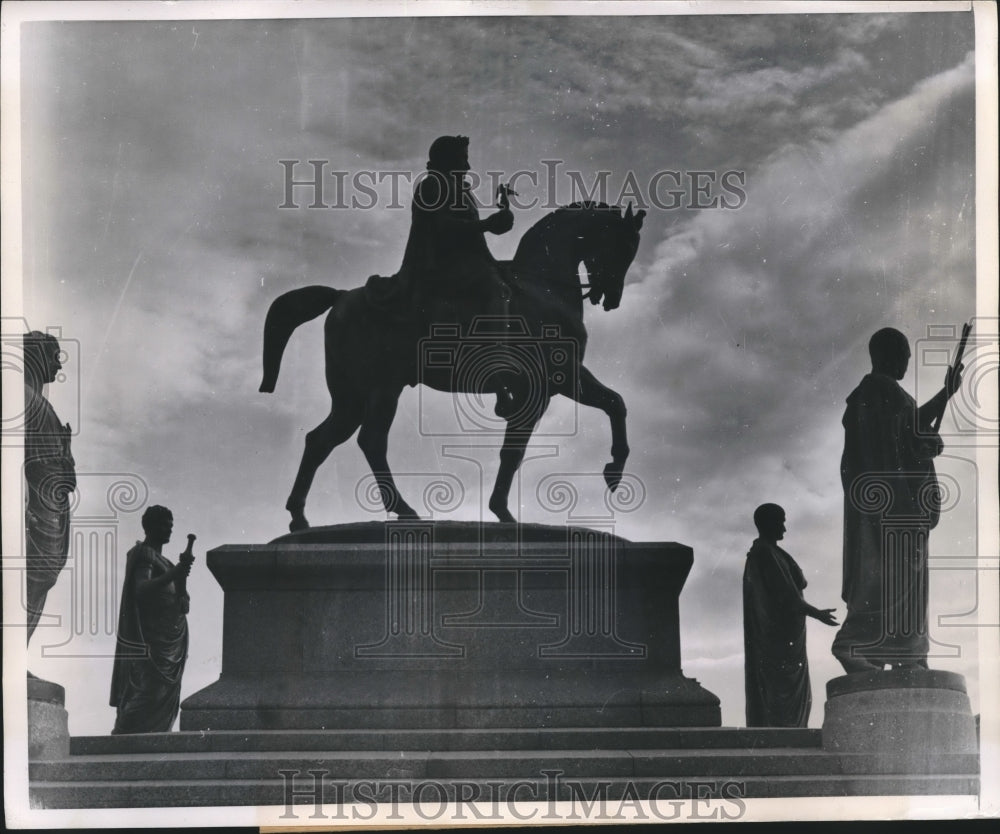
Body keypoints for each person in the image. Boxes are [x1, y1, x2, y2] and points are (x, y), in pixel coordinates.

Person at [832, 327, 963, 673]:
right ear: (888, 355)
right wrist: (944, 395)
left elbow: (906, 437)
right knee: (891, 577)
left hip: (898, 504)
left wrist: (925, 442)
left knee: (902, 579)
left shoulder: (885, 394)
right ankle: (855, 644)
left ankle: (907, 653)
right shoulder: (876, 392)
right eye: (904, 357)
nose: (906, 363)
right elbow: (899, 435)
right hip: (893, 506)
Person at [398, 135, 520, 415]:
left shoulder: (459, 189)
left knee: (513, 277)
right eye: (462, 159)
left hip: (468, 262)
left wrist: (499, 222)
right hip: (438, 266)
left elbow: (474, 233)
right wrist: (487, 225)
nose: (467, 166)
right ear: (447, 160)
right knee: (496, 289)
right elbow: (442, 227)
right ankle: (495, 363)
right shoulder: (432, 186)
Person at [744, 503, 838, 727]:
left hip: (789, 640)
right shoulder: (765, 553)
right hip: (777, 643)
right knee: (780, 694)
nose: (784, 528)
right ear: (768, 523)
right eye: (781, 522)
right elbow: (787, 596)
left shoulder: (773, 552)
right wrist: (817, 614)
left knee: (788, 695)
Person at [110, 506, 194, 734]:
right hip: (151, 638)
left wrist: (182, 587)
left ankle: (154, 739)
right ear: (149, 526)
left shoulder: (166, 562)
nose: (169, 529)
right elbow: (141, 589)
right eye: (164, 525)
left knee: (162, 692)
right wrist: (176, 572)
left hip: (170, 639)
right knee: (150, 690)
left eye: (171, 525)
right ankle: (122, 736)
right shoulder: (144, 554)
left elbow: (182, 600)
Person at [23, 331, 76, 653]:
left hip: (49, 508)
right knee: (28, 577)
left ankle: (16, 654)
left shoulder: (40, 403)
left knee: (40, 578)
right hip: (34, 510)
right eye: (55, 356)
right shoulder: (22, 398)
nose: (59, 365)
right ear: (37, 353)